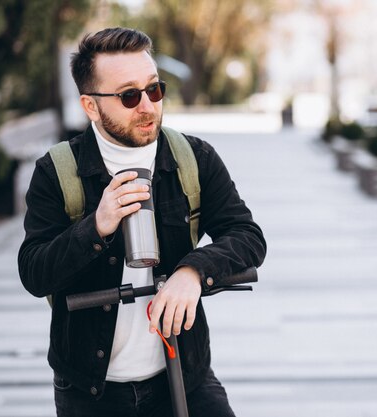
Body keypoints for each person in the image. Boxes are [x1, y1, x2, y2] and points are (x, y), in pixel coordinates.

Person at [18, 27, 266, 417]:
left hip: (185, 374)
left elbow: (248, 236)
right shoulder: (57, 172)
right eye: (129, 96)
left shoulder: (193, 157)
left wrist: (194, 271)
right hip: (90, 390)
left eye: (154, 89)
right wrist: (95, 227)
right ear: (90, 105)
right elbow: (34, 273)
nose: (147, 106)